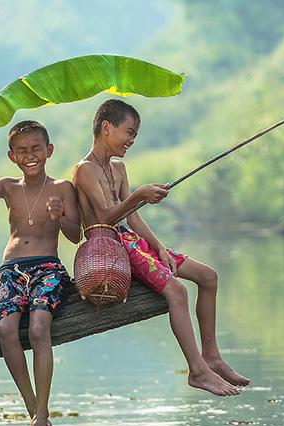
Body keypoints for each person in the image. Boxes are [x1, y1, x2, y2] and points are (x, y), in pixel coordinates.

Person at [72, 99, 249, 396]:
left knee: (208, 277)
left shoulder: (119, 167)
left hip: (134, 242)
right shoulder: (83, 169)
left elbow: (133, 217)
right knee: (177, 291)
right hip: (111, 246)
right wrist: (139, 194)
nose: (131, 141)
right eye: (128, 132)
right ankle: (197, 371)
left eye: (135, 136)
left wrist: (159, 247)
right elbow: (104, 217)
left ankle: (212, 356)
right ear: (106, 127)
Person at [0, 120, 81, 426]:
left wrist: (60, 217)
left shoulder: (62, 188)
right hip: (12, 270)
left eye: (36, 149)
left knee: (40, 328)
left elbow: (75, 234)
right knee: (5, 329)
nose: (30, 156)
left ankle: (42, 413)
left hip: (48, 268)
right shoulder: (8, 187)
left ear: (49, 151)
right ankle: (34, 410)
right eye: (22, 151)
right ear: (12, 156)